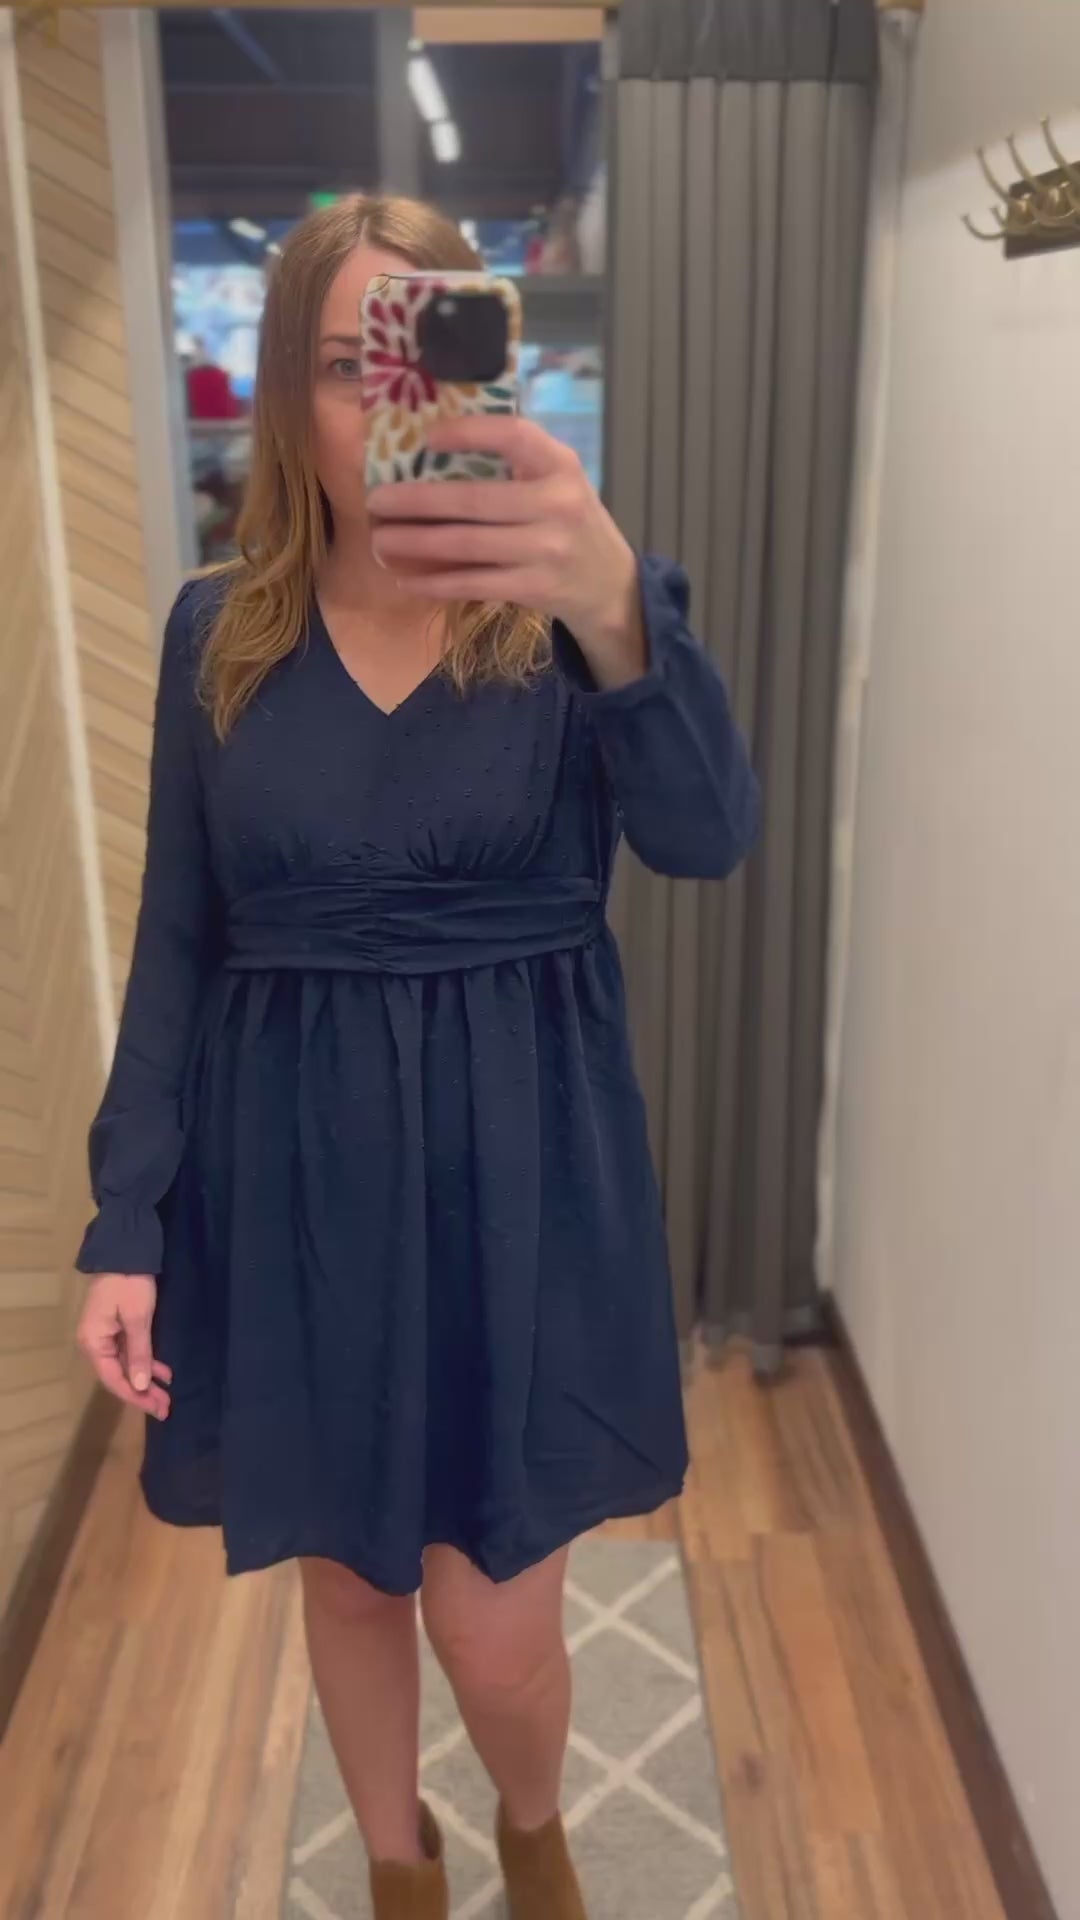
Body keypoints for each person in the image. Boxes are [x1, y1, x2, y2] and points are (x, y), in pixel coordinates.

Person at [74, 195, 758, 1920]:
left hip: (524, 1176)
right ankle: (400, 1868)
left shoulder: (575, 620)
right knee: (349, 1576)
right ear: (287, 396)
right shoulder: (216, 632)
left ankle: (531, 1824)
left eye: (423, 351)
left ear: (481, 367)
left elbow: (706, 838)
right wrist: (126, 1217)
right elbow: (175, 941)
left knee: (495, 1622)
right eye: (339, 362)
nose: (384, 400)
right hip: (293, 1173)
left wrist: (614, 598)